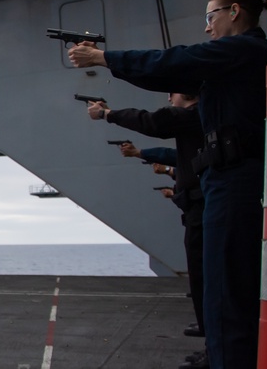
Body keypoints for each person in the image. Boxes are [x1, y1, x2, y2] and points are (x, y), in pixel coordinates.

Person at [69, 0, 267, 369]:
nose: (208, 28)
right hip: (222, 177)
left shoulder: (243, 50)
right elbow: (169, 79)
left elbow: (174, 67)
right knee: (219, 283)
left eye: (210, 18)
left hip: (234, 178)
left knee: (227, 285)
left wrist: (103, 57)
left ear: (234, 12)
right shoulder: (231, 65)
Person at [87, 94, 207, 351]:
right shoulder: (202, 119)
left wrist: (109, 114)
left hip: (202, 209)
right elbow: (177, 158)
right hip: (198, 207)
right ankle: (210, 333)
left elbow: (155, 124)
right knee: (203, 273)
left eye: (172, 95)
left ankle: (214, 342)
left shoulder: (194, 116)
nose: (169, 100)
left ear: (185, 96)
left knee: (206, 273)